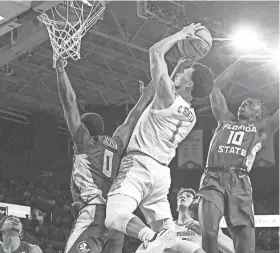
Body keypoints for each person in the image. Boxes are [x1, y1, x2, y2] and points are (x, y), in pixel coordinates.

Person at [105, 23, 214, 253]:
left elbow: (155, 51)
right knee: (169, 237)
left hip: (139, 165)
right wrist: (179, 69)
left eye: (186, 73)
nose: (182, 72)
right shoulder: (190, 114)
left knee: (114, 216)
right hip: (161, 174)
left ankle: (148, 238)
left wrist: (181, 35)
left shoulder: (168, 98)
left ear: (190, 84)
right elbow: (164, 91)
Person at [54, 58, 155, 253]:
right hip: (116, 221)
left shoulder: (84, 142)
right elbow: (131, 120)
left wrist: (60, 73)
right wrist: (145, 97)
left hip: (95, 213)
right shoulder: (116, 144)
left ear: (84, 129)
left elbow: (69, 102)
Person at [197, 57, 279, 253]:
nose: (243, 104)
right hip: (212, 178)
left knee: (246, 249)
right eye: (243, 102)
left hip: (240, 182)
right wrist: (241, 62)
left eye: (250, 104)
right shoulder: (224, 119)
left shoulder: (263, 128)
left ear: (259, 114)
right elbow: (215, 88)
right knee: (209, 232)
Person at [163, 188, 235, 253]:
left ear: (195, 203)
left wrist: (207, 234)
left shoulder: (204, 225)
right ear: (177, 208)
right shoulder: (167, 227)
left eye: (188, 196)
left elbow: (232, 250)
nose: (183, 197)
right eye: (180, 196)